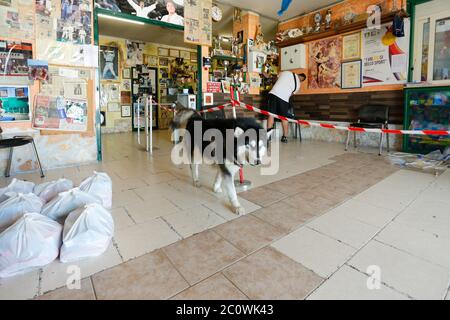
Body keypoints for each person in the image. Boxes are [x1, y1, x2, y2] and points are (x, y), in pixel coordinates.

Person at [266, 71, 306, 143]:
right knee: (284, 118)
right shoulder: (298, 85)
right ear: (301, 80)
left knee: (271, 115)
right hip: (284, 99)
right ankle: (285, 137)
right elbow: (290, 95)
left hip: (273, 94)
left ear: (298, 74)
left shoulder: (286, 72)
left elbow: (275, 80)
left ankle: (268, 136)